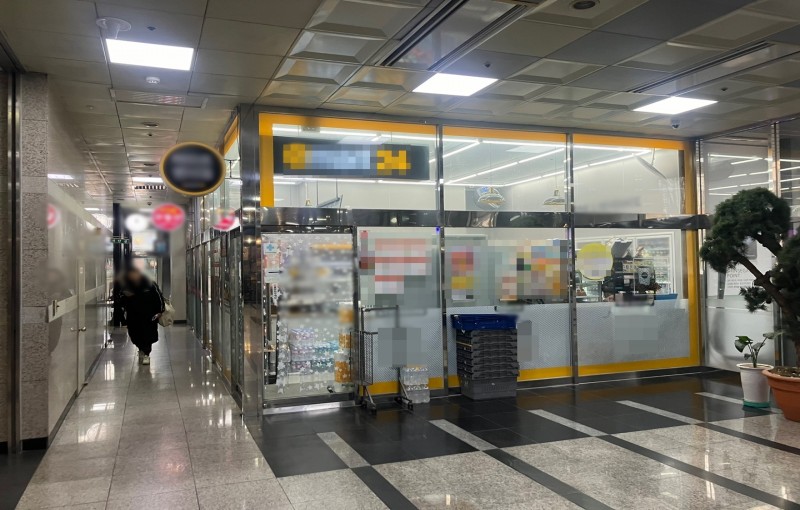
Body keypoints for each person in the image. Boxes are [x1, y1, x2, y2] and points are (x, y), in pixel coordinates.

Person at [118, 267, 165, 365]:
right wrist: (126, 297)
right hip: (133, 315)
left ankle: (147, 354)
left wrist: (160, 311)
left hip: (149, 315)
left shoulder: (150, 284)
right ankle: (141, 349)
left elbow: (159, 298)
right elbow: (120, 299)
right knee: (135, 334)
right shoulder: (127, 286)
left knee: (148, 334)